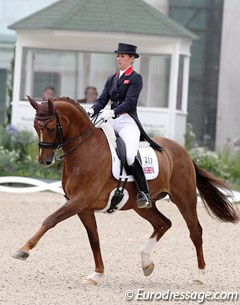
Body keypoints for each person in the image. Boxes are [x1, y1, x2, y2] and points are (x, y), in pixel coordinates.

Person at [86, 43, 162, 209]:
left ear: (132, 59)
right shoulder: (112, 78)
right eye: (118, 56)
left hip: (127, 121)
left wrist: (113, 112)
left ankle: (144, 193)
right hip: (111, 120)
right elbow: (102, 99)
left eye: (123, 56)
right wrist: (92, 110)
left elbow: (130, 102)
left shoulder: (135, 78)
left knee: (129, 156)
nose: (119, 59)